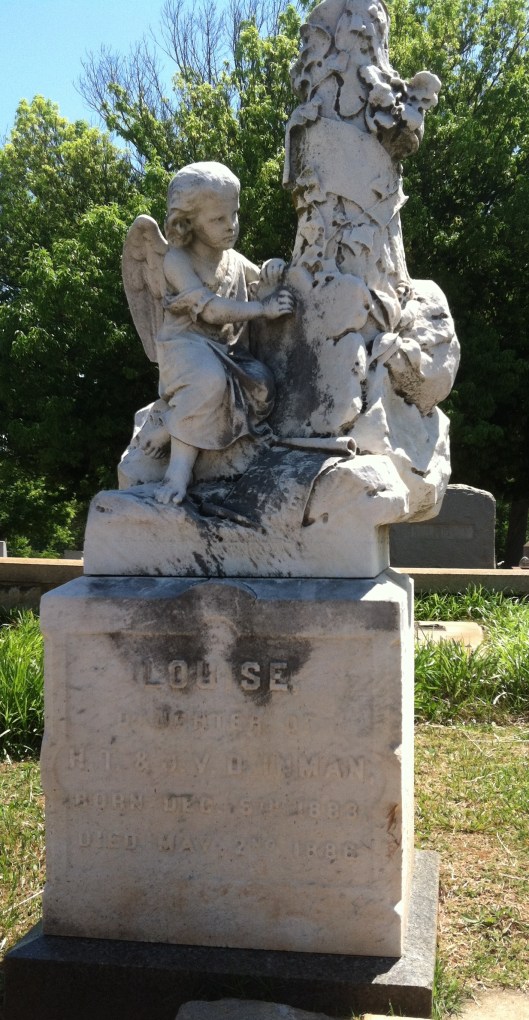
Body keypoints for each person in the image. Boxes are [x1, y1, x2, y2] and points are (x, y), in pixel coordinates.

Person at [136, 161, 294, 505]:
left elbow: (262, 282)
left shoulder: (233, 259)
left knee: (264, 385)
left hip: (228, 351)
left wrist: (273, 271)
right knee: (209, 381)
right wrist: (262, 310)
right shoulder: (176, 260)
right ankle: (178, 471)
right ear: (187, 221)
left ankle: (173, 424)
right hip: (186, 348)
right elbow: (209, 309)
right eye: (218, 219)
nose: (231, 226)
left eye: (234, 215)